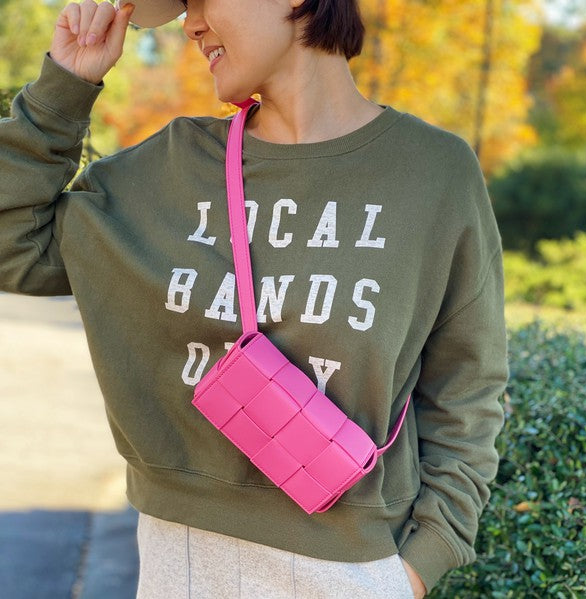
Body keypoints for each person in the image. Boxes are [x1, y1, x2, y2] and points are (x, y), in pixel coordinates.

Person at [0, 0, 509, 597]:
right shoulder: (169, 169)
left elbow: (467, 389)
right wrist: (65, 89)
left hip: (351, 570)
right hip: (179, 562)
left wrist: (418, 566)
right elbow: (15, 244)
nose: (190, 25)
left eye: (201, 0)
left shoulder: (432, 173)